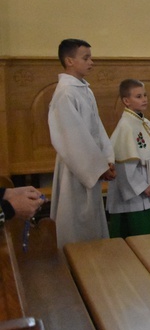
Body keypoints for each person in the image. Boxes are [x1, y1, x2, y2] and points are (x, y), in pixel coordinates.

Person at [48, 39, 116, 249]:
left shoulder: (84, 89)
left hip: (91, 166)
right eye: (86, 58)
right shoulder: (65, 93)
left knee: (90, 221)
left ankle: (94, 261)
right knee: (75, 223)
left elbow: (96, 129)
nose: (91, 62)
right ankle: (75, 263)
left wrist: (107, 159)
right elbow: (73, 139)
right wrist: (97, 168)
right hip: (76, 168)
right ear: (69, 61)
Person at [107, 79, 150, 237]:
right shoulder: (125, 127)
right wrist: (141, 187)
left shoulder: (145, 123)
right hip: (137, 191)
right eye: (138, 96)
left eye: (145, 95)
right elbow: (124, 166)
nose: (144, 99)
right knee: (139, 232)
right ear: (126, 101)